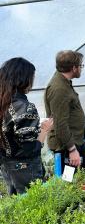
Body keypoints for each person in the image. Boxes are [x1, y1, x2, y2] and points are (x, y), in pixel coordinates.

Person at [0, 58, 53, 195]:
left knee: (16, 209)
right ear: (24, 79)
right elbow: (29, 149)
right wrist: (44, 130)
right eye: (32, 77)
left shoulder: (4, 103)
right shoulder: (25, 107)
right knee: (32, 208)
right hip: (25, 169)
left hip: (7, 167)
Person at [45, 50, 85, 173]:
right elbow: (60, 123)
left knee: (80, 178)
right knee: (70, 181)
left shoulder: (63, 82)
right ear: (74, 68)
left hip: (73, 142)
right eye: (80, 66)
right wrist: (72, 150)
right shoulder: (59, 89)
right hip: (66, 147)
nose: (81, 68)